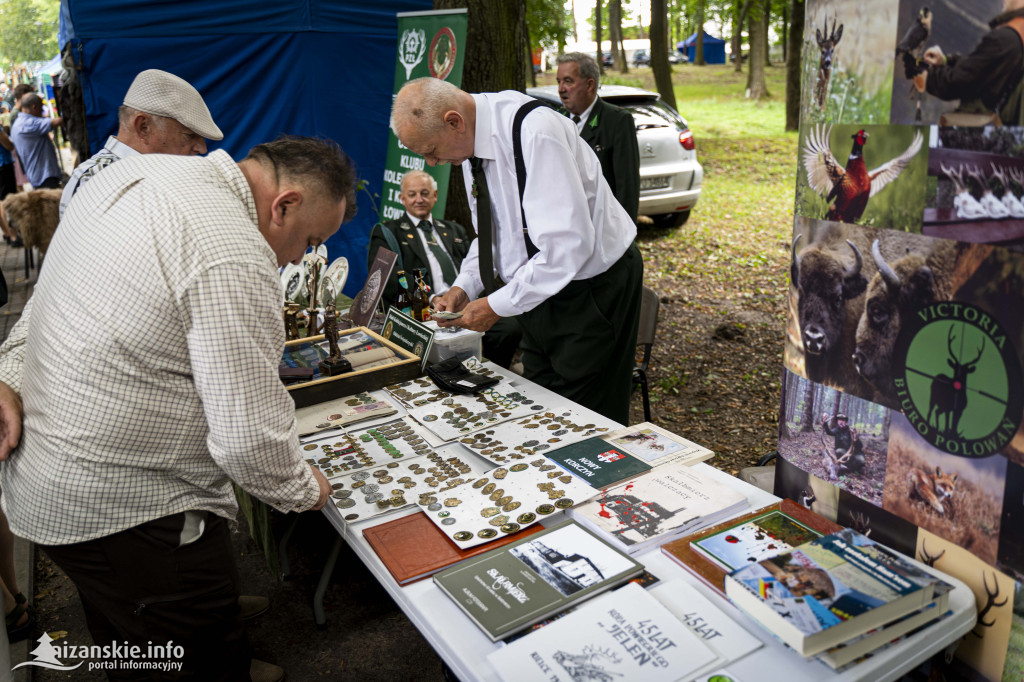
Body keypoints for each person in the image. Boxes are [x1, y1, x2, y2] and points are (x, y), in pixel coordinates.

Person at [0, 135, 355, 681]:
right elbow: (245, 437)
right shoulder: (235, 250)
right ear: (283, 204)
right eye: (309, 240)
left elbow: (44, 305)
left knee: (131, 631)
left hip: (57, 487)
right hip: (129, 507)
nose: (301, 258)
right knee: (190, 652)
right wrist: (305, 488)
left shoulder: (126, 176)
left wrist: (5, 375)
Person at [390, 77, 643, 424]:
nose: (432, 163)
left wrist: (495, 306)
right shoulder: (468, 145)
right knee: (542, 405)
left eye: (430, 151)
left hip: (593, 291)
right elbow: (493, 233)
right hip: (539, 290)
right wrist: (464, 287)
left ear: (454, 121)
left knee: (587, 417)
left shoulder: (535, 133)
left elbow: (568, 247)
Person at [367, 169, 521, 367]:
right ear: (402, 199)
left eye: (424, 193)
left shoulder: (453, 229)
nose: (419, 199)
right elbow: (387, 279)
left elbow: (475, 265)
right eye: (412, 194)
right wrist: (431, 298)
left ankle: (489, 371)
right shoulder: (388, 232)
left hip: (466, 303)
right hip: (425, 310)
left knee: (510, 328)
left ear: (435, 196)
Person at [60, 69, 223, 219]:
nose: (202, 148)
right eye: (190, 136)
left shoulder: (164, 174)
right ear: (143, 127)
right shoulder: (93, 181)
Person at [906, 0, 1024, 125]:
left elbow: (959, 82)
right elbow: (982, 65)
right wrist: (945, 61)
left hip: (985, 126)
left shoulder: (1006, 39)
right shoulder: (1015, 38)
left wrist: (927, 77)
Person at [555, 52, 640, 221]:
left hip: (602, 226)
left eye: (568, 81)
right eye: (559, 81)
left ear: (589, 85)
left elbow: (627, 186)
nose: (561, 89)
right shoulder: (557, 120)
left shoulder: (616, 121)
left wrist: (622, 235)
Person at [9, 94, 62, 190]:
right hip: (45, 176)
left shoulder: (17, 124)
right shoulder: (28, 123)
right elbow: (55, 122)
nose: (42, 111)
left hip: (36, 176)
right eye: (41, 107)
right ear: (34, 107)